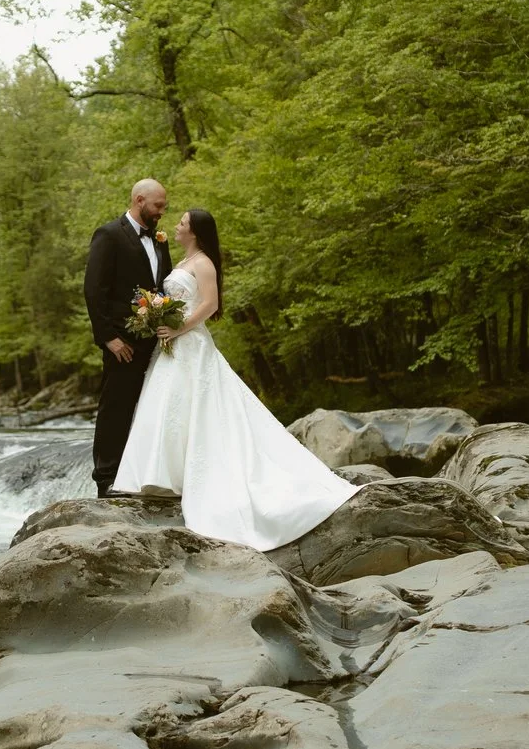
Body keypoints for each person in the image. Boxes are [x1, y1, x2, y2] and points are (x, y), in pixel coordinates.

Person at [116, 207, 355, 549]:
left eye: (182, 223)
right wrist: (156, 317)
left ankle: (201, 477)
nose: (177, 226)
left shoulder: (204, 263)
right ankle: (163, 477)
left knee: (199, 406)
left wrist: (179, 327)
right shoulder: (184, 262)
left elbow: (210, 304)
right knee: (168, 405)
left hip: (191, 344)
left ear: (195, 231)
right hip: (172, 343)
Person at [83, 178, 168, 495]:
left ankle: (136, 476)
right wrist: (109, 338)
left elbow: (163, 287)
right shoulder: (109, 235)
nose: (161, 212)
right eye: (158, 206)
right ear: (140, 199)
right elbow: (94, 290)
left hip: (156, 341)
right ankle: (106, 479)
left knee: (148, 408)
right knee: (116, 407)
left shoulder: (160, 240)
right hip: (122, 343)